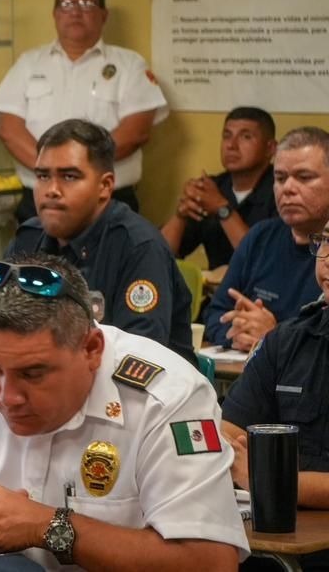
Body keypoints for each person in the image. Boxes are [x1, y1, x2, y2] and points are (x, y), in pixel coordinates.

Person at [0, 253, 248, 570]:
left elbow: (209, 561)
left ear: (91, 349)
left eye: (33, 373)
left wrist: (46, 526)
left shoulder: (167, 397)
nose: (8, 397)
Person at [4, 119, 194, 364]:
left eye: (69, 176)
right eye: (42, 176)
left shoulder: (138, 247)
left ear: (105, 186)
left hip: (143, 393)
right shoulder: (27, 240)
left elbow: (138, 359)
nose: (52, 189)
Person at [0, 0, 169, 222]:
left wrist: (80, 172)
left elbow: (135, 132)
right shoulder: (29, 63)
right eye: (67, 4)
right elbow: (10, 129)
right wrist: (54, 174)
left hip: (107, 202)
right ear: (55, 14)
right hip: (41, 202)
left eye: (86, 4)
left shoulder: (129, 64)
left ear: (104, 15)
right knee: (39, 262)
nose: (75, 12)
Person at [221, 218, 329, 571]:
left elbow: (248, 473)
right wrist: (255, 478)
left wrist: (268, 482)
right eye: (324, 243)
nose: (326, 257)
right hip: (278, 537)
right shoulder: (288, 340)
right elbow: (229, 434)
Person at [203, 126, 329, 350]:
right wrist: (238, 335)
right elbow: (216, 314)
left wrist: (273, 336)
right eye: (280, 178)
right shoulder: (260, 236)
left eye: (304, 177)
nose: (287, 188)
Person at [161, 106, 278, 269]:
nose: (232, 145)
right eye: (227, 136)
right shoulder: (212, 188)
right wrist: (180, 214)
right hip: (217, 292)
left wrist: (222, 209)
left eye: (246, 137)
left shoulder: (284, 190)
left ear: (270, 148)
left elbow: (262, 261)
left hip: (264, 291)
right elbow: (159, 256)